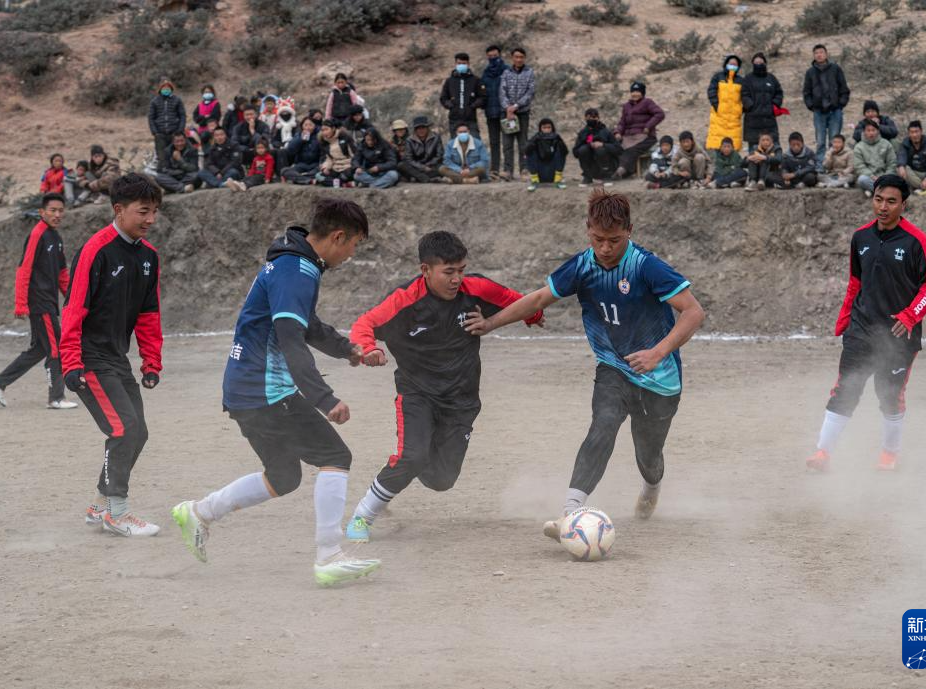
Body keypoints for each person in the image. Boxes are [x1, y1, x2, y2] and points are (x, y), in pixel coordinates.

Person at [464, 189, 705, 538]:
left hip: (658, 377)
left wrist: (657, 353)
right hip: (613, 366)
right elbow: (539, 298)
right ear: (587, 230)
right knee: (602, 425)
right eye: (597, 239)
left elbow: (693, 311)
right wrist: (490, 323)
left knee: (648, 454)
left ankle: (652, 486)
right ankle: (570, 512)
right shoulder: (582, 266)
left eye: (614, 240)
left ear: (630, 231)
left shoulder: (645, 266)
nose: (605, 248)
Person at [170, 199, 381, 587]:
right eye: (354, 245)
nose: (352, 254)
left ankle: (199, 512)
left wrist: (347, 349)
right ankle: (329, 556)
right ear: (338, 237)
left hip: (245, 388)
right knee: (335, 456)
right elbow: (290, 339)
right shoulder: (296, 270)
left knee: (283, 476)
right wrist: (324, 398)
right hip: (264, 390)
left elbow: (305, 325)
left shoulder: (294, 263)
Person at [343, 231, 544, 543]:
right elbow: (364, 324)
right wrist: (369, 348)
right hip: (417, 394)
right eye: (448, 272)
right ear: (425, 270)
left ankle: (404, 465)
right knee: (412, 456)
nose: (456, 279)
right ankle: (363, 516)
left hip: (462, 399)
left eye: (461, 270)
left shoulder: (475, 288)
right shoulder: (405, 300)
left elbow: (519, 302)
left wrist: (533, 315)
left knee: (441, 480)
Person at [806, 175, 926, 473]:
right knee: (845, 388)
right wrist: (845, 318)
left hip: (898, 335)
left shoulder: (917, 241)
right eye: (878, 199)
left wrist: (910, 315)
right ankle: (823, 453)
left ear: (904, 205)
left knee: (889, 395)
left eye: (891, 201)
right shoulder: (861, 237)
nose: (883, 207)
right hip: (861, 329)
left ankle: (889, 454)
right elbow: (856, 281)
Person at [60, 173, 164, 536]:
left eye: (155, 211)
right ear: (119, 209)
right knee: (123, 429)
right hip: (88, 357)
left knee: (139, 432)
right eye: (143, 211)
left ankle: (99, 506)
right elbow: (73, 309)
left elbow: (149, 314)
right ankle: (117, 514)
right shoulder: (96, 250)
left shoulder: (149, 256)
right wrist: (70, 362)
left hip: (116, 358)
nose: (151, 219)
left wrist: (151, 361)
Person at [0, 193, 77, 410]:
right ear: (42, 212)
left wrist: (74, 299)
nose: (57, 214)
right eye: (52, 210)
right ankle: (56, 398)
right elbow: (23, 270)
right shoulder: (37, 234)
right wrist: (20, 304)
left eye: (60, 210)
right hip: (40, 302)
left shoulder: (56, 237)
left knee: (39, 349)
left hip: (49, 302)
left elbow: (62, 274)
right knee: (56, 348)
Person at [802, 44, 850, 164]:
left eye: (821, 52)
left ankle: (834, 165)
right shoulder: (810, 72)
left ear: (826, 54)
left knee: (835, 140)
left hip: (835, 110)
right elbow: (806, 92)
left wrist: (841, 104)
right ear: (814, 55)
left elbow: (844, 88)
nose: (819, 55)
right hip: (819, 111)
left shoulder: (835, 69)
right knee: (820, 141)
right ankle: (820, 165)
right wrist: (811, 106)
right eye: (816, 53)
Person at [613, 81, 665, 179]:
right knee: (615, 147)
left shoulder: (647, 102)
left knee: (632, 149)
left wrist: (648, 126)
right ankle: (612, 170)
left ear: (642, 93)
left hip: (646, 136)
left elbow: (660, 114)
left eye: (638, 91)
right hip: (629, 136)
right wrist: (618, 132)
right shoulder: (626, 106)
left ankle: (622, 170)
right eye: (633, 91)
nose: (635, 94)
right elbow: (622, 122)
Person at [499, 47, 536, 181]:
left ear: (524, 58)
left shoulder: (529, 72)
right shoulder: (506, 72)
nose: (519, 59)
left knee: (523, 143)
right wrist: (508, 108)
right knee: (507, 143)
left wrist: (515, 106)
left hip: (522, 113)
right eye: (516, 57)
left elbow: (530, 92)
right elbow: (502, 91)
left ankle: (524, 170)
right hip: (507, 114)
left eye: (521, 57)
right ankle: (508, 170)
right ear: (512, 58)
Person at [741, 52, 784, 152]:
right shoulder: (748, 79)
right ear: (752, 64)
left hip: (769, 119)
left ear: (765, 63)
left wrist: (774, 105)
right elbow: (744, 94)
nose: (758, 64)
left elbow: (779, 92)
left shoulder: (771, 78)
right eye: (756, 63)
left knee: (773, 147)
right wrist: (750, 106)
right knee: (754, 149)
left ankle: (774, 162)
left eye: (760, 62)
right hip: (753, 119)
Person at [439, 52, 486, 138]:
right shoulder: (449, 81)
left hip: (470, 119)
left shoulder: (475, 80)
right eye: (459, 63)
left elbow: (482, 97)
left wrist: (473, 106)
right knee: (455, 143)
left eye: (464, 63)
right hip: (454, 119)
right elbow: (443, 98)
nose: (461, 65)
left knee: (475, 142)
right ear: (455, 64)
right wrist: (451, 105)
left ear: (468, 64)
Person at [573, 107, 622, 185]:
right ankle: (587, 177)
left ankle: (606, 177)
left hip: (608, 165)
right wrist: (588, 145)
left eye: (594, 117)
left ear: (598, 118)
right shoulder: (583, 133)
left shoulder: (606, 132)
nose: (591, 119)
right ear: (585, 118)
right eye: (589, 117)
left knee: (600, 150)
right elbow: (575, 152)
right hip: (591, 167)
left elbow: (618, 149)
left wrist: (603, 145)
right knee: (583, 150)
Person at [481, 44, 509, 178]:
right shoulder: (485, 72)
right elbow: (482, 91)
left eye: (495, 56)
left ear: (500, 55)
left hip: (505, 112)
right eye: (490, 56)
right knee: (494, 141)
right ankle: (495, 169)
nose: (493, 58)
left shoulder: (507, 70)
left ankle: (508, 169)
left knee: (507, 141)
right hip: (490, 112)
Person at [706, 55, 744, 152]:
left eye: (735, 64)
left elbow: (745, 96)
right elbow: (711, 91)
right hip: (719, 117)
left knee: (733, 147)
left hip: (734, 119)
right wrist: (717, 106)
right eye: (731, 64)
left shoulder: (741, 80)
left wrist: (740, 110)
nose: (732, 66)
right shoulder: (718, 77)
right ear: (726, 64)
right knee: (717, 145)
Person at [147, 77, 186, 172]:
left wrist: (180, 130)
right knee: (162, 157)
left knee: (175, 155)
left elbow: (182, 115)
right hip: (160, 134)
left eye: (168, 88)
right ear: (160, 89)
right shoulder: (154, 101)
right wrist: (155, 132)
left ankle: (177, 173)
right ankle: (162, 174)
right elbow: (151, 117)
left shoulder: (177, 100)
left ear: (171, 89)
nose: (166, 90)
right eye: (164, 88)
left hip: (174, 133)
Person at [853, 119, 898, 196]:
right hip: (870, 178)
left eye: (873, 130)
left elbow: (892, 163)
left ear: (878, 131)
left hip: (885, 176)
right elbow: (859, 166)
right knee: (862, 179)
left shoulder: (886, 144)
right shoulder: (859, 147)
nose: (871, 133)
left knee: (896, 178)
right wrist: (872, 176)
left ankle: (874, 191)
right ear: (864, 132)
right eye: (868, 130)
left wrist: (885, 176)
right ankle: (885, 192)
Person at [525, 118, 569, 191]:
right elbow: (526, 151)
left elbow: (565, 152)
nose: (547, 130)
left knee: (560, 148)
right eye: (544, 127)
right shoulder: (536, 137)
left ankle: (558, 180)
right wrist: (535, 141)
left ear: (552, 128)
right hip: (539, 173)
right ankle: (534, 181)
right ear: (540, 128)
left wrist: (558, 140)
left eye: (549, 127)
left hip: (553, 173)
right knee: (530, 150)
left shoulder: (556, 137)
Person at [399, 115, 445, 183]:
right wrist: (422, 167)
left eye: (423, 127)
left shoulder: (436, 137)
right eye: (418, 128)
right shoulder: (409, 140)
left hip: (432, 165)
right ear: (415, 129)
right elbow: (409, 159)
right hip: (416, 166)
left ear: (427, 128)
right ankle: (425, 178)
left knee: (443, 168)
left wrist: (428, 165)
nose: (421, 130)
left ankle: (417, 177)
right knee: (401, 165)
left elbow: (439, 155)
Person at [895, 121, 926, 192]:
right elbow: (902, 155)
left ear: (921, 132)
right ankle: (923, 186)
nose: (914, 135)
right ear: (909, 134)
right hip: (914, 174)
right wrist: (901, 166)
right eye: (912, 132)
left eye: (916, 132)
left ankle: (925, 186)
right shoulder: (906, 143)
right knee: (900, 167)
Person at [315, 119, 357, 187]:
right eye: (322, 130)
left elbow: (354, 155)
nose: (324, 132)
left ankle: (334, 182)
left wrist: (354, 167)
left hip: (348, 166)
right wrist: (325, 167)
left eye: (326, 129)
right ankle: (344, 184)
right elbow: (328, 158)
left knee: (346, 175)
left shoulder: (345, 137)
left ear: (333, 128)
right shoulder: (324, 142)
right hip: (335, 167)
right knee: (318, 176)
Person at [281, 116, 322, 185]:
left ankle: (300, 178)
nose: (308, 127)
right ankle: (308, 180)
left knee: (320, 171)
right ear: (302, 126)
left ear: (315, 126)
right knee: (284, 171)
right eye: (306, 125)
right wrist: (300, 140)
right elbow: (290, 150)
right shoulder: (298, 135)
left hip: (315, 164)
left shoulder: (319, 135)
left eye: (310, 125)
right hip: (301, 164)